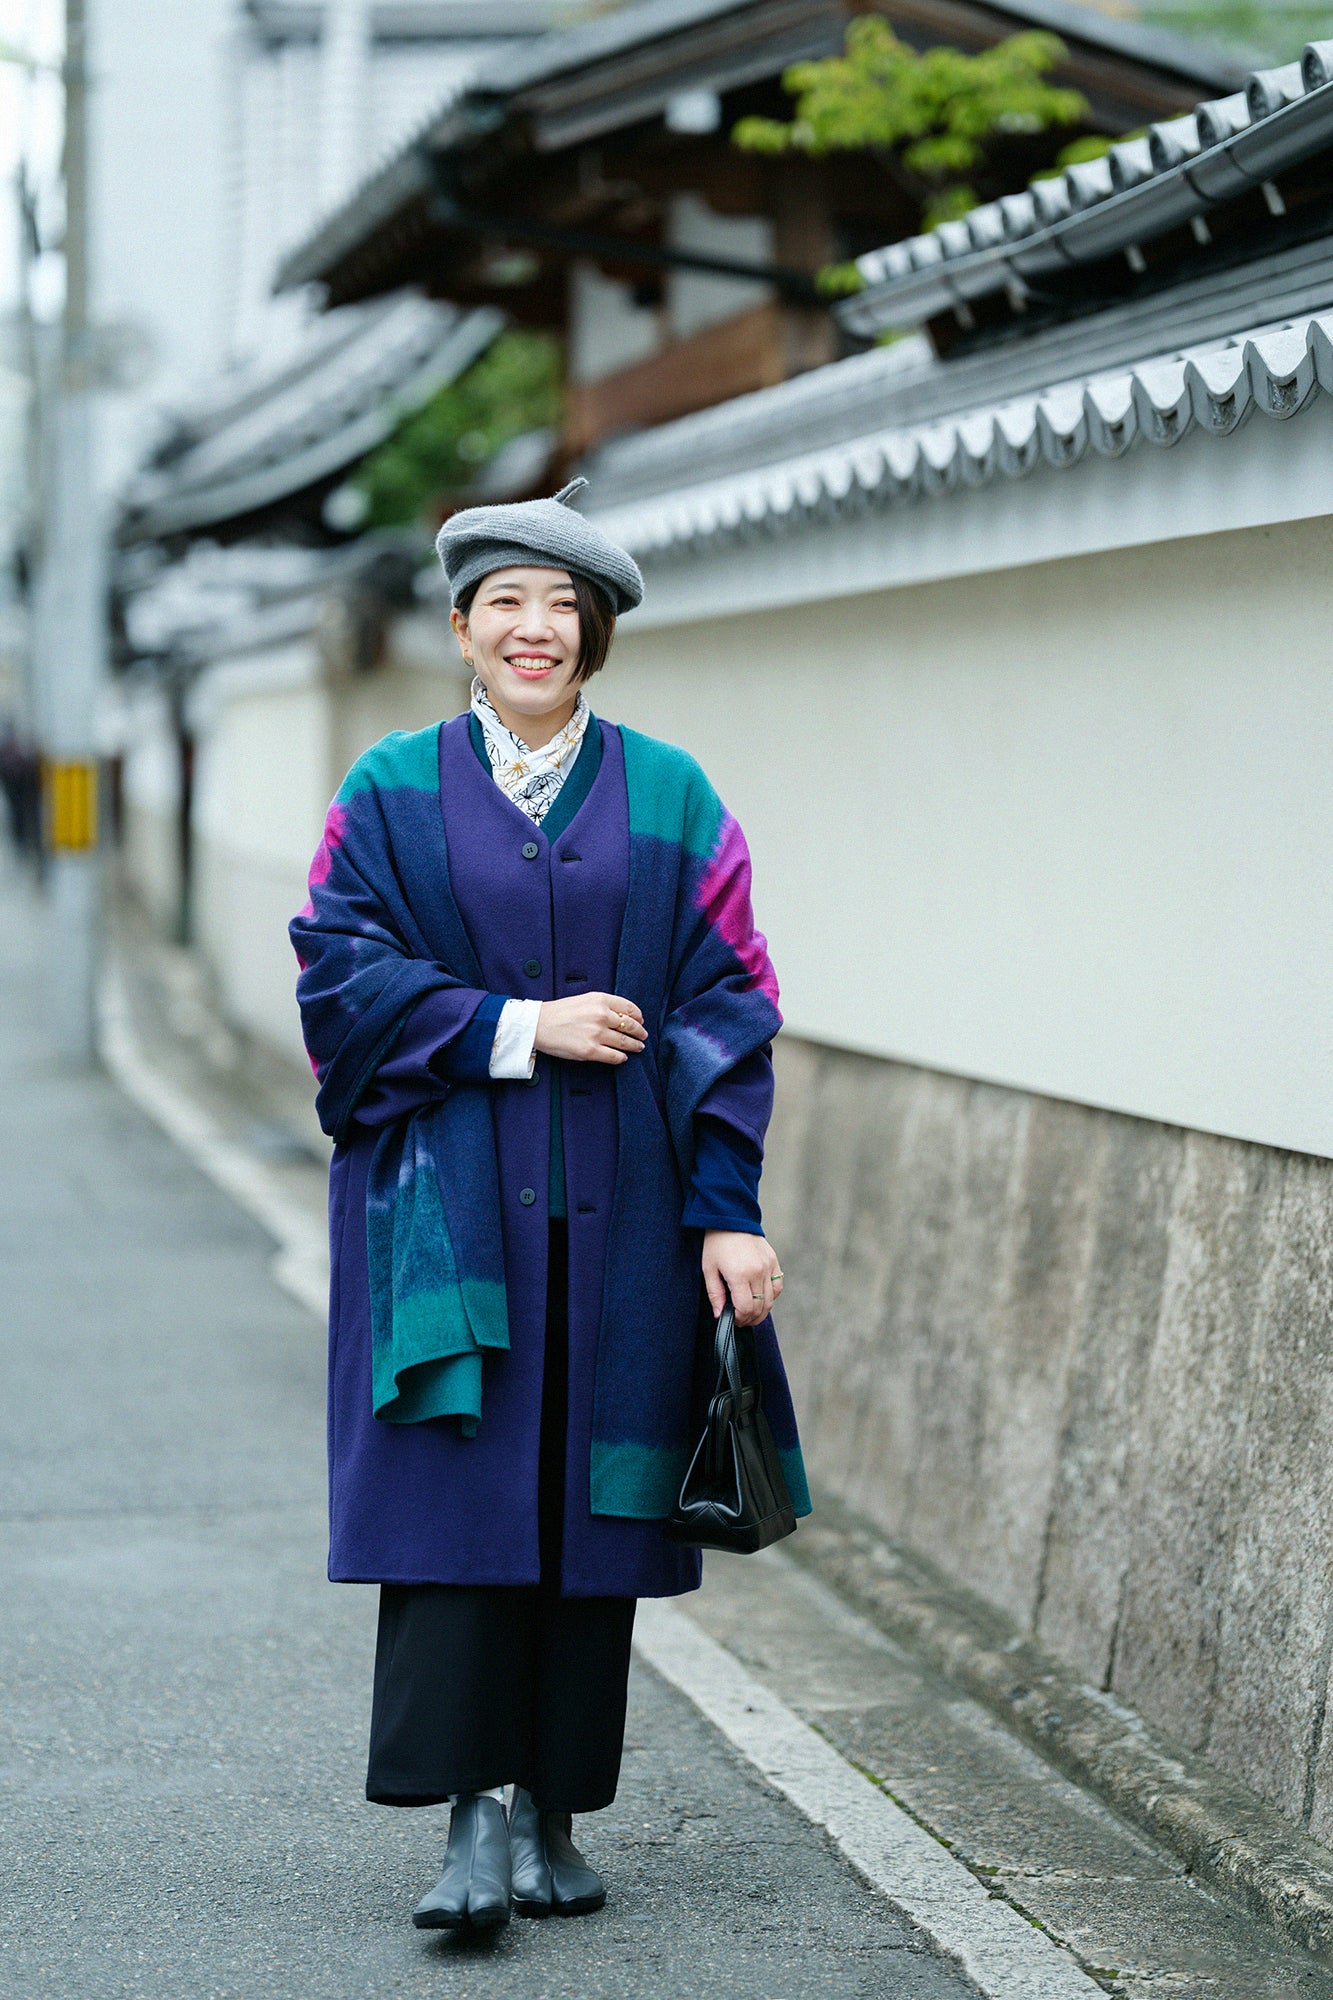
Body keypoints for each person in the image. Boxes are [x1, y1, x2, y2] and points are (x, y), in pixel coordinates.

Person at [290, 481, 809, 1934]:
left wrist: (727, 1209)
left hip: (631, 1211)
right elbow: (334, 972)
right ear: (460, 630)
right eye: (504, 603)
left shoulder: (673, 798)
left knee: (598, 1498)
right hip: (442, 1208)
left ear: (593, 638)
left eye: (561, 606)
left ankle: (556, 1812)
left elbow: (728, 1004)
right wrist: (520, 1027)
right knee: (461, 1494)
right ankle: (466, 1821)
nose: (534, 628)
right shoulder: (388, 790)